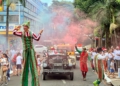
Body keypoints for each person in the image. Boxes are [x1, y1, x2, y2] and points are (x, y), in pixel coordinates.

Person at [13, 21, 43, 86]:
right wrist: (17, 28)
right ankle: (24, 84)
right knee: (24, 67)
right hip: (25, 51)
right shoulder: (21, 33)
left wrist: (40, 33)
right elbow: (14, 33)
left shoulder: (31, 33)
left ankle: (35, 84)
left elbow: (37, 38)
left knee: (33, 67)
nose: (24, 28)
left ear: (28, 27)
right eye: (23, 26)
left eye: (25, 26)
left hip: (31, 51)